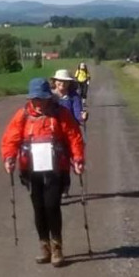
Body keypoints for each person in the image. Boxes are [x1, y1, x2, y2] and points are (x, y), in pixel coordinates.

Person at [1, 78, 86, 267]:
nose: (39, 103)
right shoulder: (23, 115)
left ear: (49, 97)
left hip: (56, 169)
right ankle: (44, 247)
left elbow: (74, 137)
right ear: (31, 99)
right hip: (31, 170)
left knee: (52, 206)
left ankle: (57, 249)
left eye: (43, 99)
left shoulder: (61, 114)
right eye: (35, 99)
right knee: (38, 208)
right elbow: (11, 139)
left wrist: (78, 159)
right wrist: (9, 157)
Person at [50, 69, 85, 197]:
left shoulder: (73, 97)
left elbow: (77, 113)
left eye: (65, 82)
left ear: (69, 83)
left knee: (64, 163)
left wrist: (82, 117)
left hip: (69, 132)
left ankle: (64, 187)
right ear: (55, 82)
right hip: (52, 133)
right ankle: (53, 188)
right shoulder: (49, 96)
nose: (62, 84)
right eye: (60, 81)